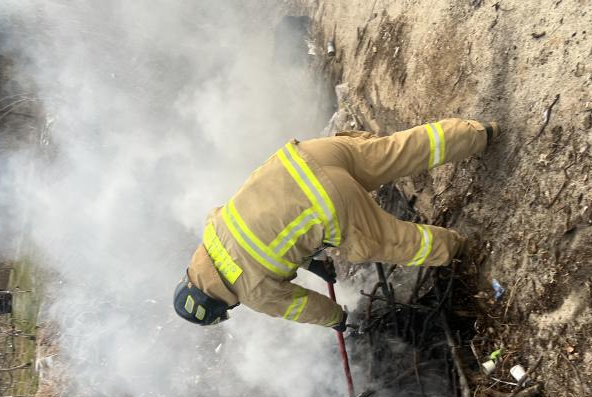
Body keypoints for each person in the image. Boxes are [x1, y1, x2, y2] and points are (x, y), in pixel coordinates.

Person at [173, 118, 499, 329]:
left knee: (391, 242)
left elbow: (306, 306)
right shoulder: (212, 228)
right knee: (398, 151)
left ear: (217, 304)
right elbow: (270, 226)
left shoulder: (253, 293)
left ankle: (458, 248)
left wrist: (338, 319)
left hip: (328, 202)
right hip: (308, 157)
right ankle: (478, 133)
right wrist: (313, 265)